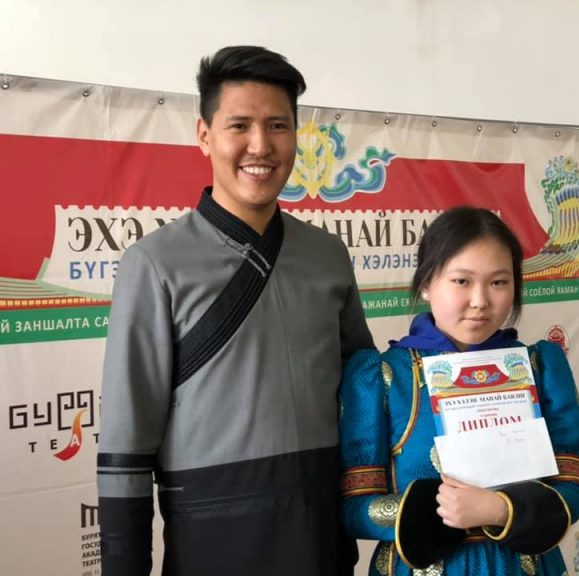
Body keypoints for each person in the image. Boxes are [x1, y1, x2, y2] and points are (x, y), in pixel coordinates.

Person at [97, 46, 374, 576]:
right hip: (213, 538)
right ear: (205, 135)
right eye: (240, 125)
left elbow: (363, 390)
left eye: (278, 126)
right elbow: (126, 443)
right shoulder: (154, 263)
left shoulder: (327, 256)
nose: (261, 146)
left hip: (320, 533)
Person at [339, 207, 579, 575]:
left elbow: (572, 488)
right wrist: (433, 509)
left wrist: (500, 509)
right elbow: (355, 505)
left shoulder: (540, 368)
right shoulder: (383, 376)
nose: (480, 300)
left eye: (498, 282)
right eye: (461, 281)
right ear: (426, 283)